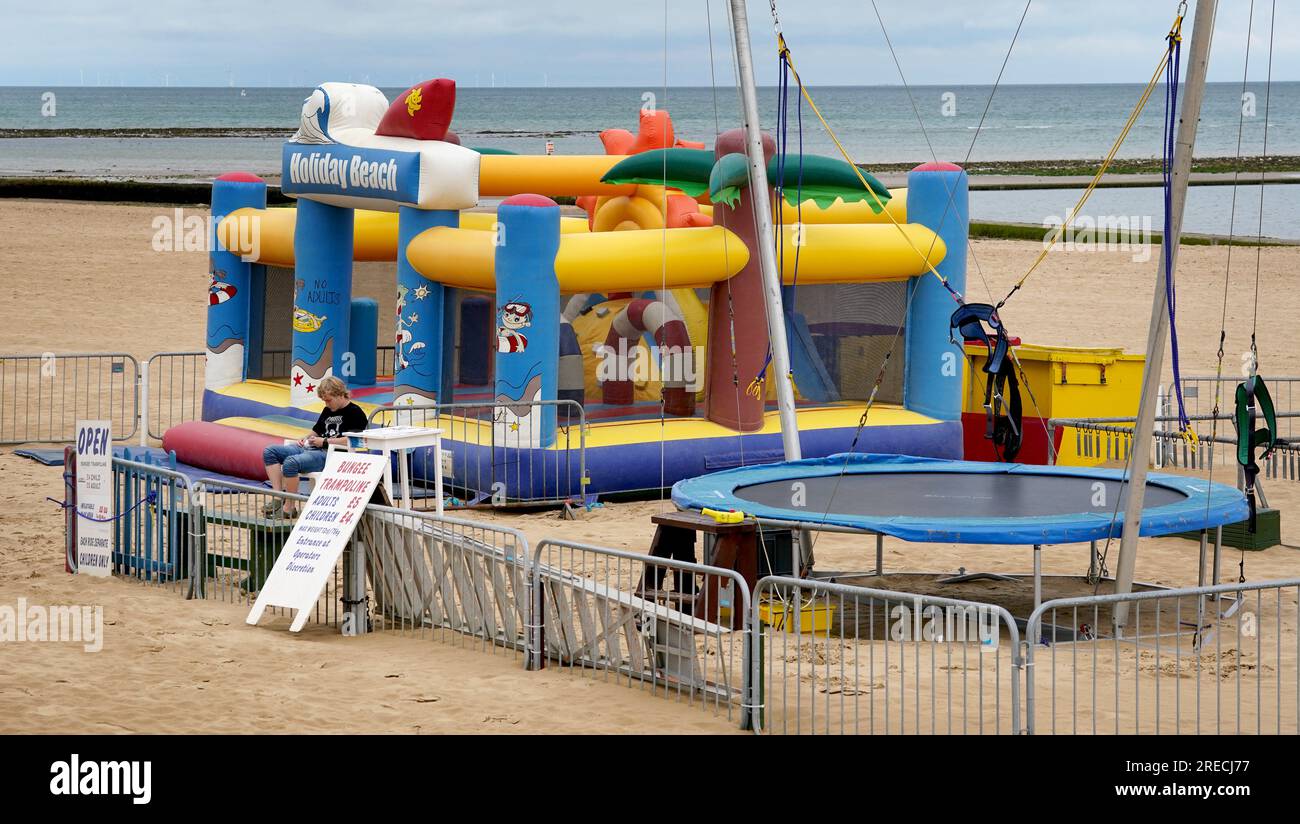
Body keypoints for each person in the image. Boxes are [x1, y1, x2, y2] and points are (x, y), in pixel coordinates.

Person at [262, 376, 369, 517]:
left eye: (328, 400)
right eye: (324, 400)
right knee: (270, 452)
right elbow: (317, 430)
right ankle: (277, 497)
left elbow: (356, 440)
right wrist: (305, 438)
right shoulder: (327, 410)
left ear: (340, 394)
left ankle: (289, 508)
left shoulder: (355, 412)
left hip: (331, 454)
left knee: (290, 463)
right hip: (312, 448)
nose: (326, 403)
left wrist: (325, 442)